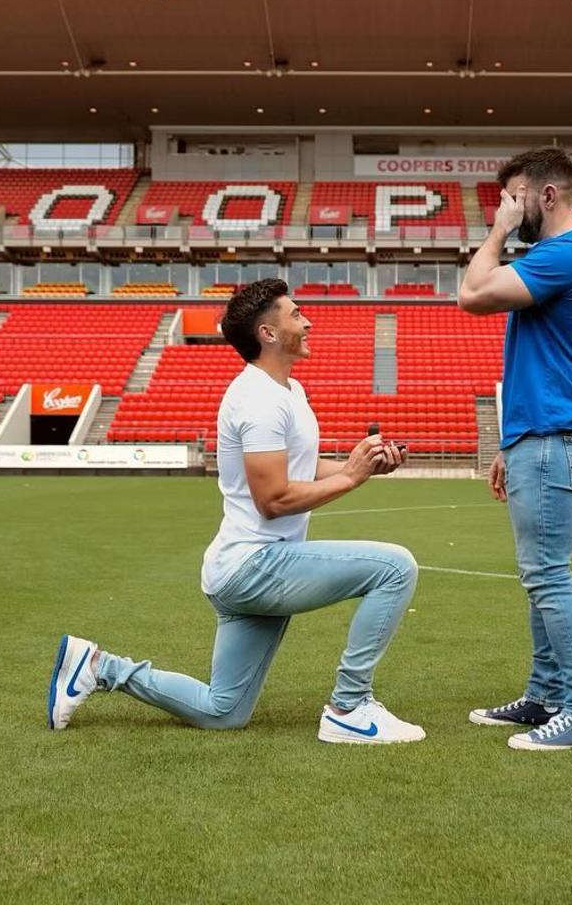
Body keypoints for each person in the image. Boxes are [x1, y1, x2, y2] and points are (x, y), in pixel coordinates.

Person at [48, 279, 424, 744]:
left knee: (223, 711)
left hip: (244, 569)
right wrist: (350, 478)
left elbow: (301, 469)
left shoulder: (288, 391)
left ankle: (99, 667)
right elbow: (275, 500)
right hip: (255, 565)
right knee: (395, 567)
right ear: (268, 333)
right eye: (295, 314)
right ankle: (350, 707)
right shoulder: (258, 400)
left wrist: (359, 466)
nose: (307, 321)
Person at [458, 147, 572, 751]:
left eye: (514, 195)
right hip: (539, 435)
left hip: (555, 437)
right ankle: (547, 694)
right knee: (539, 574)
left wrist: (496, 231)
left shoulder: (565, 255)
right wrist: (508, 443)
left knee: (547, 575)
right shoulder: (559, 256)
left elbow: (470, 294)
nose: (507, 207)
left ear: (547, 196)